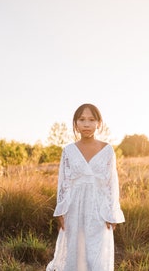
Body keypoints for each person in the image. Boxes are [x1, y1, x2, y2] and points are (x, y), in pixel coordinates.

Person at [46, 103, 125, 271]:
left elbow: (112, 182)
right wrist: (61, 210)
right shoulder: (68, 150)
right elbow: (63, 182)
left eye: (91, 119)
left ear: (98, 123)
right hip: (74, 208)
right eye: (82, 120)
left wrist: (112, 212)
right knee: (76, 253)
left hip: (99, 208)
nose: (87, 124)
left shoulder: (107, 150)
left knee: (96, 254)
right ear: (76, 123)